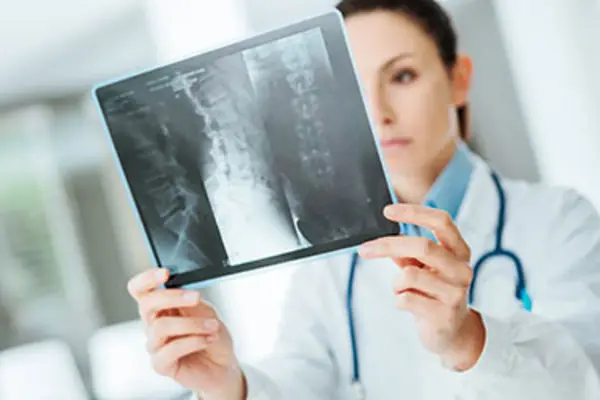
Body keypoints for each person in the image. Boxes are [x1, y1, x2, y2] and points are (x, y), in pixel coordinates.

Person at [126, 0, 600, 399]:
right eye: (353, 86)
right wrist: (229, 385)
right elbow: (297, 381)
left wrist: (470, 339)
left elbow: (585, 377)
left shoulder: (558, 220)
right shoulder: (331, 263)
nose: (378, 111)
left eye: (403, 76)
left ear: (458, 79)